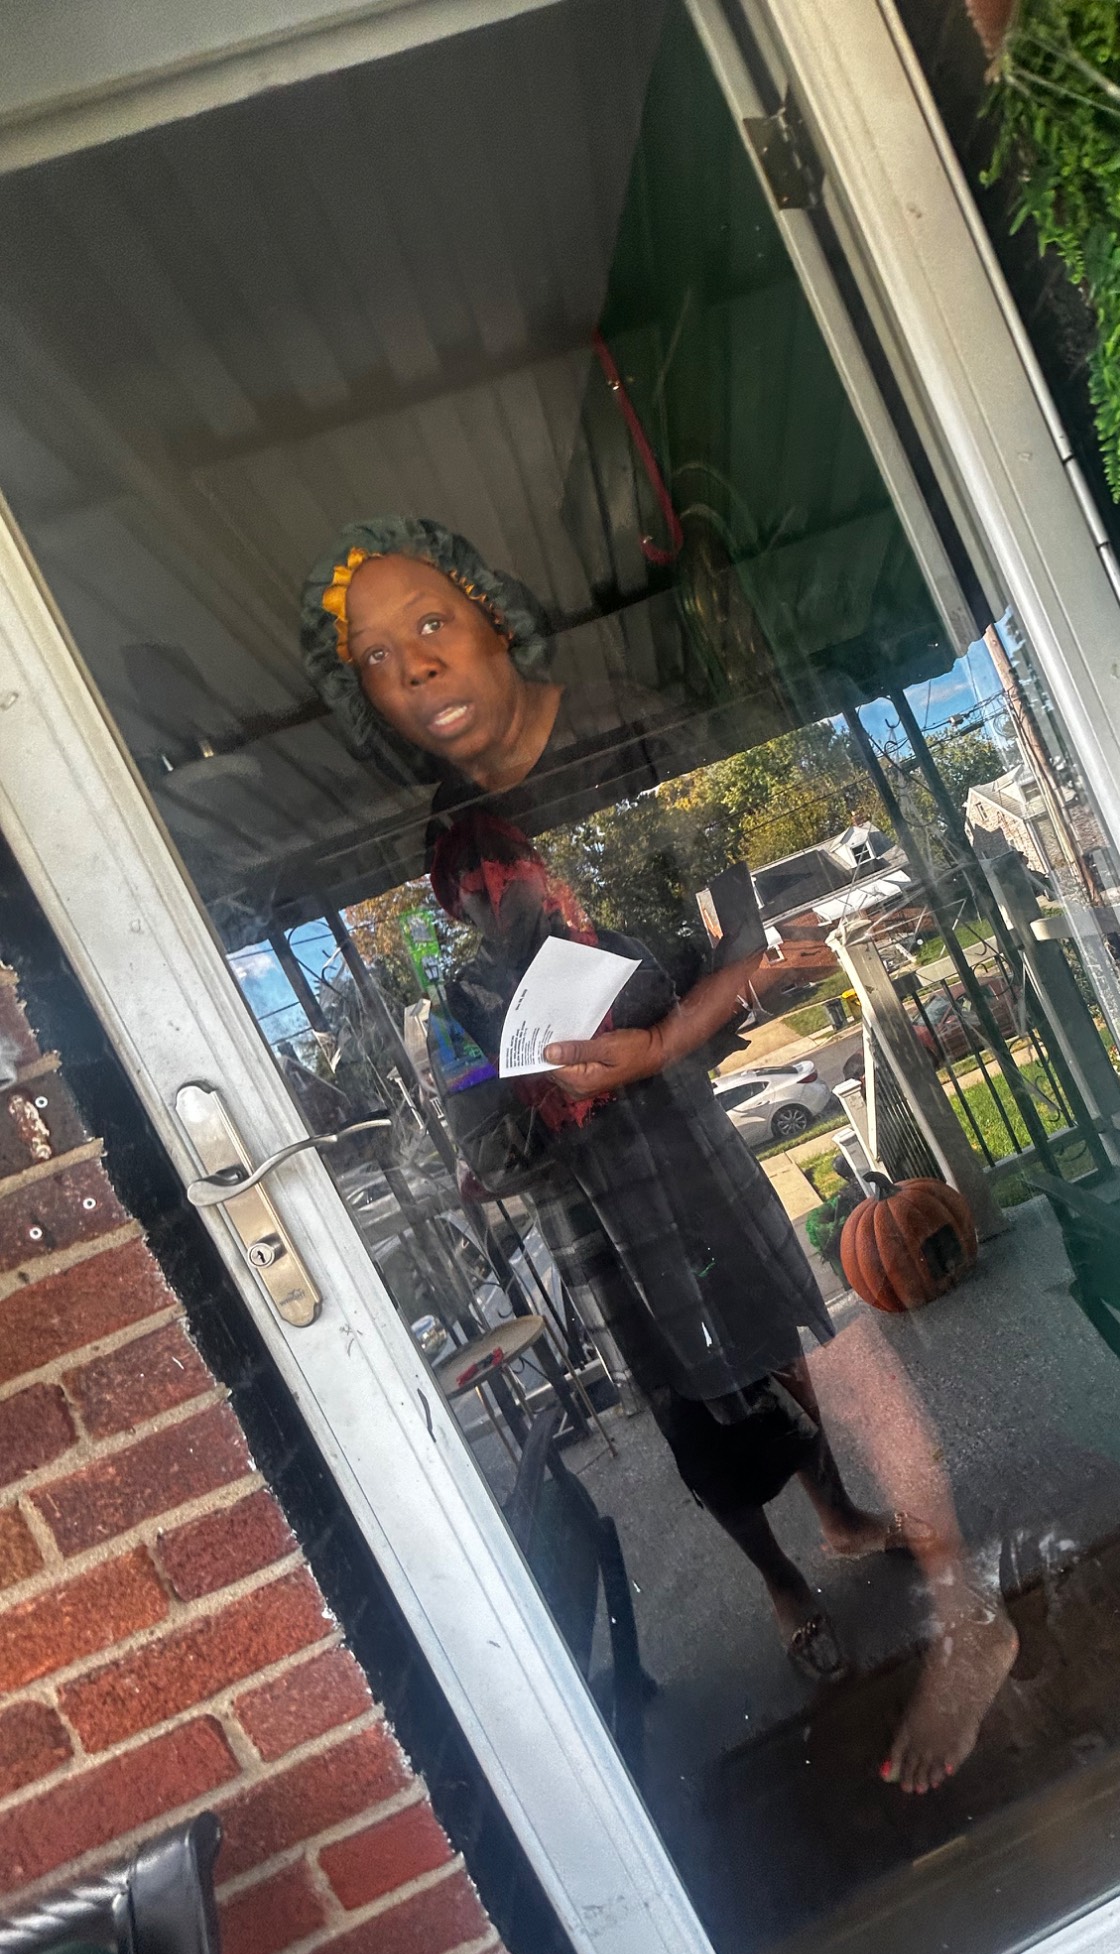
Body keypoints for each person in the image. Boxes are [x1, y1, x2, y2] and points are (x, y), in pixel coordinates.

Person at [300, 515, 1016, 1789]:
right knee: (700, 1429)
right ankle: (790, 1577)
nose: (515, 895)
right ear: (458, 901)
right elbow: (491, 1156)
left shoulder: (621, 905)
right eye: (485, 885)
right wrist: (537, 1089)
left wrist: (710, 1007)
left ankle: (907, 1564)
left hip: (709, 1179)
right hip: (613, 1239)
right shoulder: (459, 1016)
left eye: (521, 873)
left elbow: (719, 993)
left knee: (815, 1354)